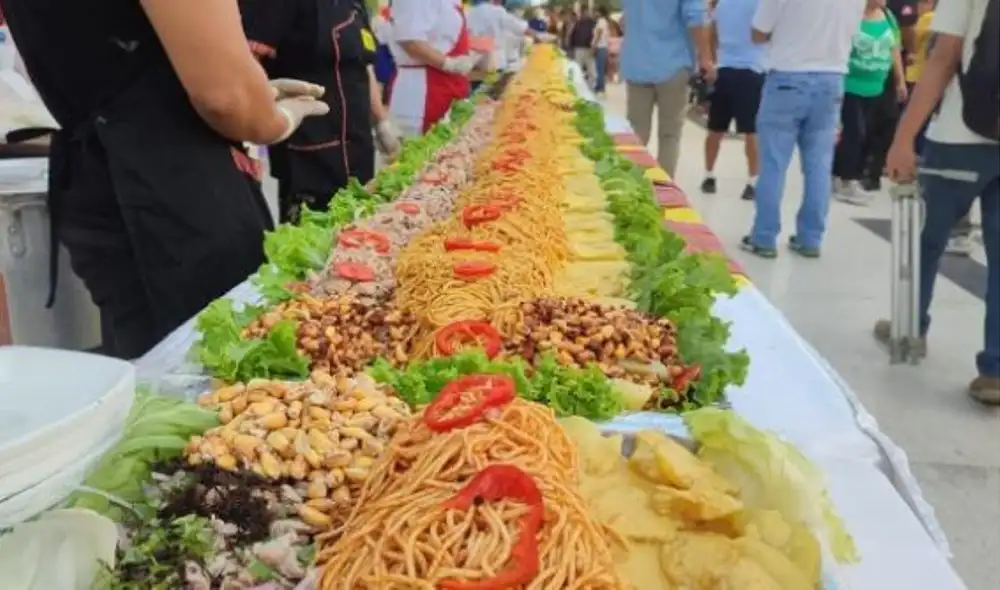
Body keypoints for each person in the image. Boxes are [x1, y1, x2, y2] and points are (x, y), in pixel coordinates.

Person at [0, 0, 328, 359]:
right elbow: (224, 97)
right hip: (179, 180)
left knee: (148, 378)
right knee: (228, 376)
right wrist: (275, 118)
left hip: (93, 170)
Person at [880, 0, 999, 405]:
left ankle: (910, 328)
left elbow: (944, 56)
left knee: (926, 238)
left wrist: (903, 138)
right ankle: (995, 371)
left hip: (960, 135)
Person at [241, 0, 402, 223]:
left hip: (357, 148)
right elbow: (247, 64)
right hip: (307, 154)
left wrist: (382, 122)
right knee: (315, 245)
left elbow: (362, 66)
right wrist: (247, 140)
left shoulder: (354, 4)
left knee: (359, 236)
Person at [742, 0, 866, 259]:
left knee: (773, 163)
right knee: (819, 165)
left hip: (787, 78)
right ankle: (810, 238)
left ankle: (764, 237)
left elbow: (757, 32)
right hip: (832, 81)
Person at [620, 0, 714, 178]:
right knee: (670, 135)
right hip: (673, 64)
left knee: (636, 133)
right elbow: (695, 17)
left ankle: (631, 187)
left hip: (636, 62)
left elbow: (625, 20)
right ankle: (663, 191)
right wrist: (705, 57)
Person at [832, 0, 907, 207]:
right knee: (855, 133)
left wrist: (900, 80)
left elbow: (894, 49)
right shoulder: (850, 15)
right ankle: (847, 180)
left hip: (877, 86)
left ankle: (842, 174)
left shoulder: (888, 16)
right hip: (851, 85)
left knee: (868, 133)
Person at [700, 0, 766, 201]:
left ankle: (709, 176)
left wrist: (711, 60)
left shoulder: (723, 4)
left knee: (715, 129)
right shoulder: (761, 4)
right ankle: (752, 182)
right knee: (751, 131)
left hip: (724, 70)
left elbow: (710, 32)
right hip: (752, 70)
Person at [387, 0, 478, 138]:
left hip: (447, 85)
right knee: (425, 150)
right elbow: (410, 41)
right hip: (422, 91)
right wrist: (448, 63)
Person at [858, 0, 920, 193]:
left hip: (888, 71)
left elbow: (903, 37)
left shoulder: (896, 9)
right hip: (863, 72)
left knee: (887, 122)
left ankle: (873, 172)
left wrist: (900, 79)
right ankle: (857, 169)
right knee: (864, 124)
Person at [466, 0, 549, 89]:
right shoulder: (498, 12)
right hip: (492, 62)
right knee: (488, 91)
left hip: (472, 61)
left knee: (474, 90)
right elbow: (521, 28)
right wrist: (540, 36)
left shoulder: (470, 12)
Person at [569, 6, 597, 82]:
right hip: (578, 48)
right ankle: (578, 83)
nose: (585, 14)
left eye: (586, 12)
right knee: (578, 67)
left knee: (591, 68)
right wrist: (571, 47)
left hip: (589, 48)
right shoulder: (577, 23)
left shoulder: (593, 23)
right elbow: (572, 35)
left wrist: (594, 47)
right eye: (583, 12)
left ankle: (592, 84)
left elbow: (596, 36)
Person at [592, 6, 612, 96]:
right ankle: (600, 86)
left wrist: (594, 46)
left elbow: (598, 34)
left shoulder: (601, 21)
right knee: (600, 68)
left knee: (599, 69)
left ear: (600, 12)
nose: (595, 13)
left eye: (596, 11)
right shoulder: (605, 22)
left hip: (600, 47)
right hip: (603, 47)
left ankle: (601, 88)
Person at [607, 19, 623, 84]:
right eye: (610, 29)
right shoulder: (608, 38)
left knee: (619, 67)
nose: (612, 31)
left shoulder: (621, 38)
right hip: (610, 55)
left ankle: (620, 79)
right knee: (610, 67)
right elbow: (607, 46)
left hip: (619, 55)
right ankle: (610, 79)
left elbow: (623, 47)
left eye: (613, 29)